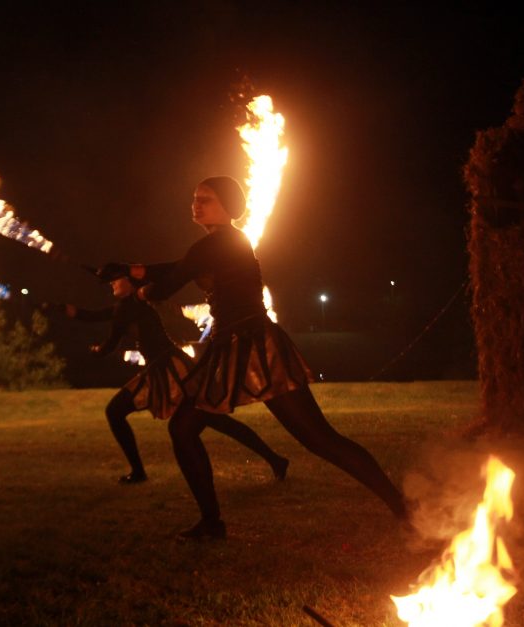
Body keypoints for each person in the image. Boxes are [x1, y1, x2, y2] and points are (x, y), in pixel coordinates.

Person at [107, 175, 406, 539]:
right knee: (183, 428)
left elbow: (171, 281)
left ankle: (403, 507)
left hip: (254, 348)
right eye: (196, 197)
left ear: (228, 206)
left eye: (207, 199)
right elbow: (180, 264)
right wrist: (137, 270)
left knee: (319, 439)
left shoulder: (216, 244)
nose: (197, 204)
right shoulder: (223, 241)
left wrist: (137, 290)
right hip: (234, 346)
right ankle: (212, 524)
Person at [61, 266, 289, 486]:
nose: (111, 283)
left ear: (130, 283)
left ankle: (139, 472)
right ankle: (276, 460)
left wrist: (97, 351)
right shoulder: (131, 305)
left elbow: (110, 344)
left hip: (168, 370)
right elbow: (97, 315)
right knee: (215, 420)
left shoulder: (127, 308)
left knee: (116, 411)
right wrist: (72, 312)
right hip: (166, 366)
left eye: (116, 279)